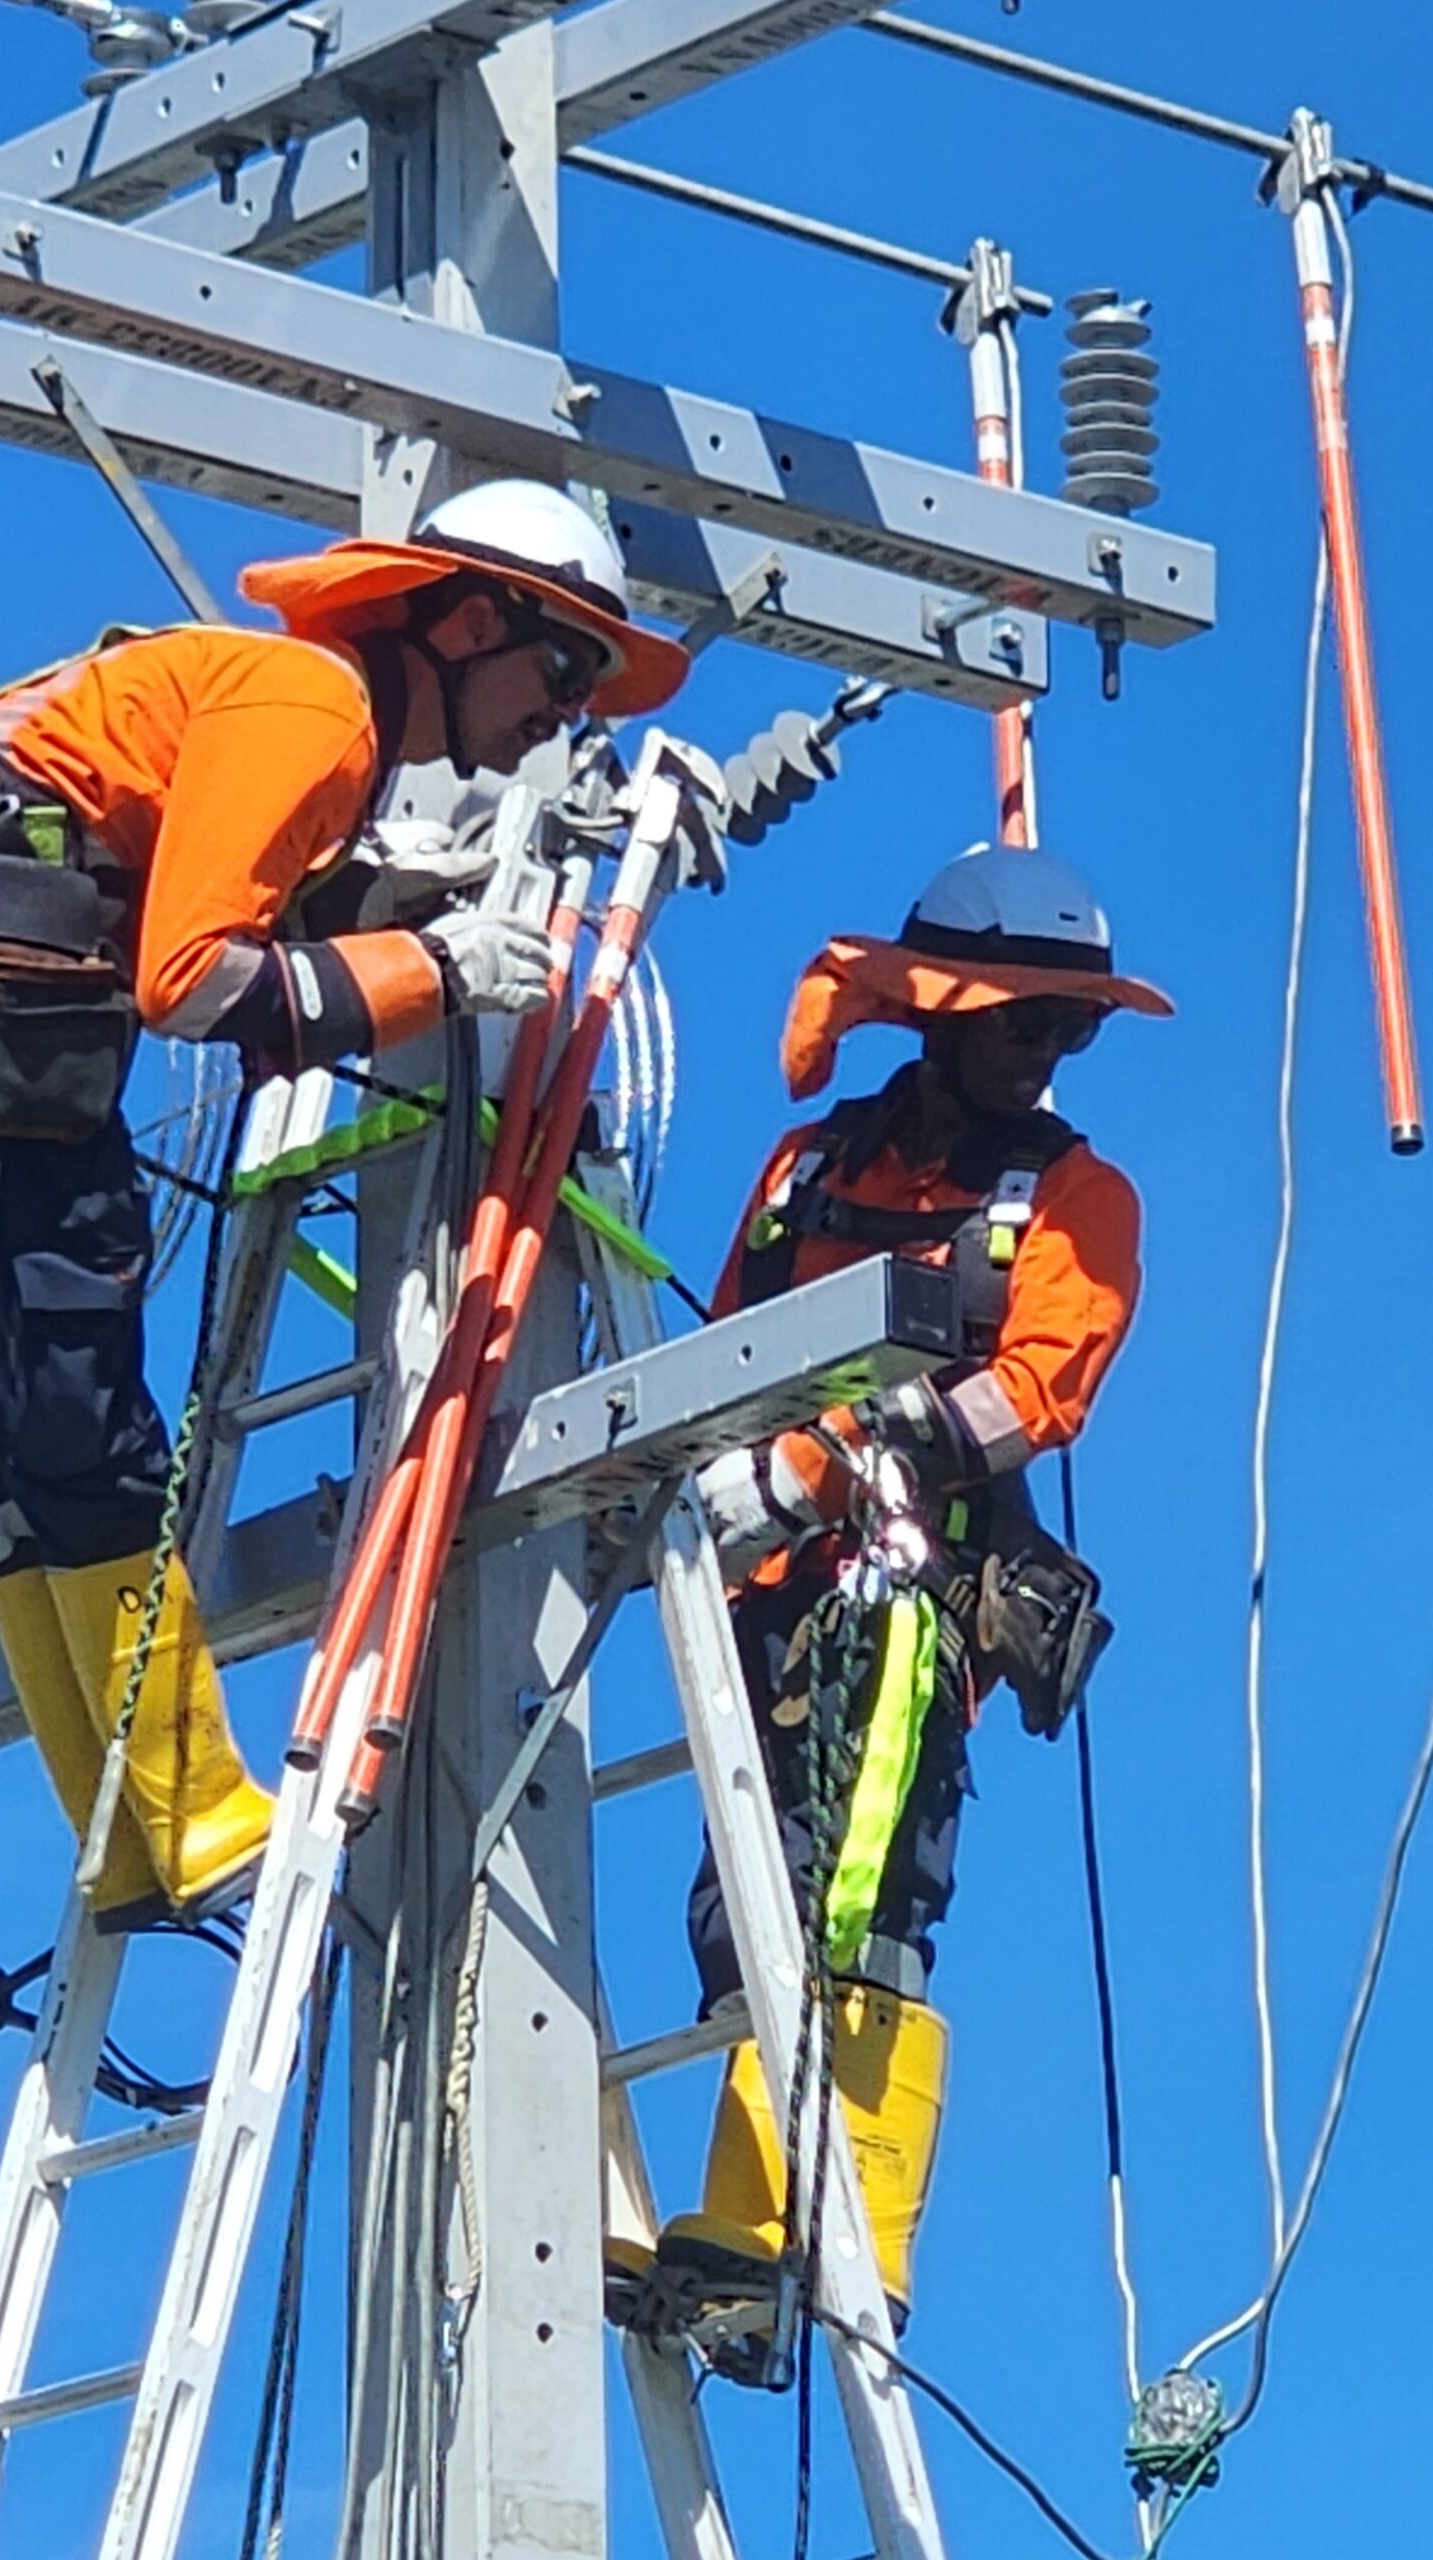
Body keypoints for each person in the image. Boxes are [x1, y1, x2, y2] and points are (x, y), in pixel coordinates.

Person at [0, 480, 689, 1929]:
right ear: (461, 621)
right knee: (74, 1422)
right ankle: (195, 1815)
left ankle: (123, 1835)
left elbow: (199, 902)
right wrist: (436, 970)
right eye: (563, 671)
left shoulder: (248, 703)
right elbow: (190, 976)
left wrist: (378, 915)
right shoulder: (314, 705)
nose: (563, 721)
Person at [639, 843, 1169, 2363]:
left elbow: (1035, 1394)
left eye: (1073, 1031)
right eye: (1027, 1022)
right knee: (738, 1906)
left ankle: (807, 2234)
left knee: (854, 1897)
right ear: (943, 1010)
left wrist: (825, 1466)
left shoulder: (1073, 1197)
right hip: (759, 1593)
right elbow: (729, 1344)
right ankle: (745, 2222)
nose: (1049, 1055)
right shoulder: (812, 1167)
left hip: (901, 1598)